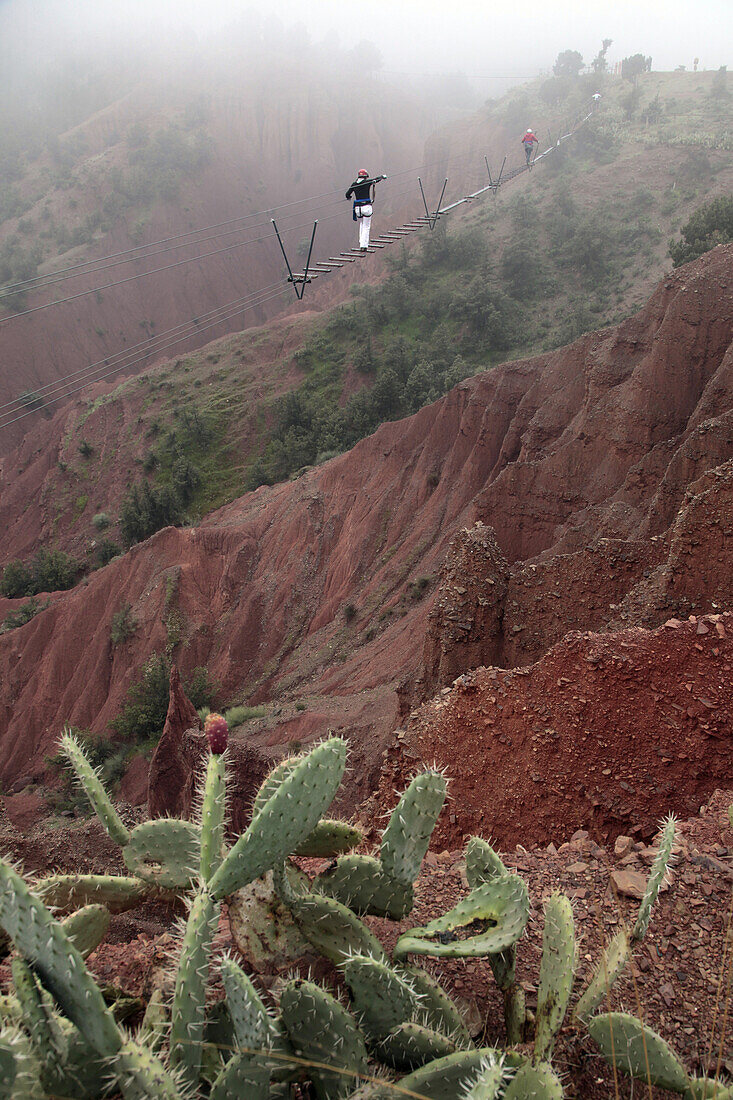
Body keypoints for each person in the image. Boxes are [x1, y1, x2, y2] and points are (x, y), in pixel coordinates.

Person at [345, 169, 386, 251]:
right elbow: (376, 180)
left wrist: (349, 197)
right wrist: (382, 177)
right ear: (365, 176)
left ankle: (361, 242)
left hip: (357, 209)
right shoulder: (366, 182)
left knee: (361, 224)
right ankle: (364, 246)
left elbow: (347, 194)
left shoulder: (354, 184)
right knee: (366, 226)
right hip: (366, 207)